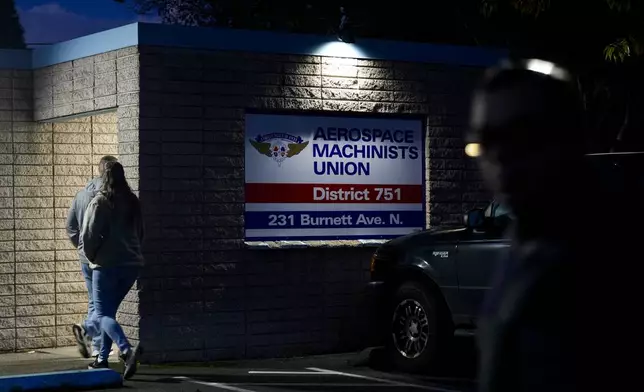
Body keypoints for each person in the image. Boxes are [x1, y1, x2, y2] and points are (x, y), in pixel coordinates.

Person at [466, 59, 582, 392]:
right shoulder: (525, 234)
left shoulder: (608, 254)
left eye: (522, 134)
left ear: (568, 137)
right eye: (487, 140)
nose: (500, 157)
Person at [79, 161, 144, 379]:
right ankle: (102, 359)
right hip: (131, 265)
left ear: (103, 177)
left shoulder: (101, 202)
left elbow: (88, 235)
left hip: (106, 265)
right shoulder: (133, 201)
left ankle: (126, 351)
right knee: (108, 314)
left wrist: (92, 257)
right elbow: (140, 232)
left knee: (101, 314)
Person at [67, 155, 118, 359]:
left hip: (85, 258)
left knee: (95, 301)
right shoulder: (109, 196)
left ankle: (93, 339)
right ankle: (92, 337)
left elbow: (71, 227)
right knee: (103, 303)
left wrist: (82, 248)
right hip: (103, 259)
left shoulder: (81, 195)